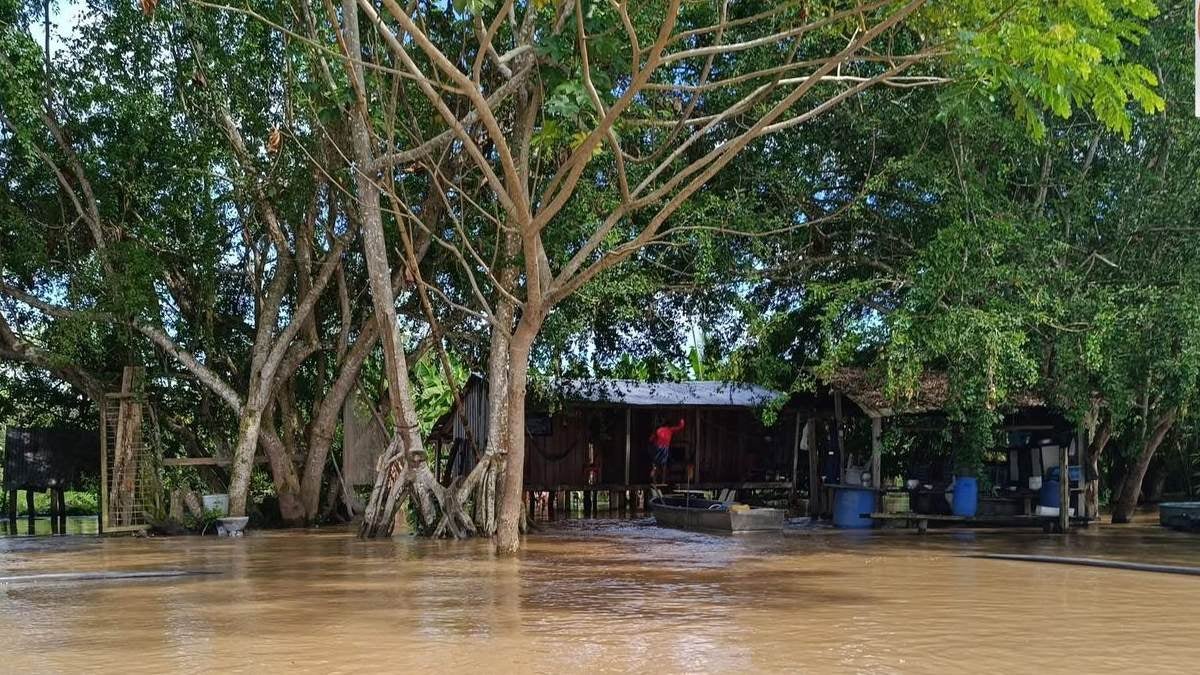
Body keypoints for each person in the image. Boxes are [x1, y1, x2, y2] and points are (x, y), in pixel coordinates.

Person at [649, 418, 685, 483]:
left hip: (657, 447)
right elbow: (680, 427)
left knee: (655, 464)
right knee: (663, 465)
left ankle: (654, 479)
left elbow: (651, 439)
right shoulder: (670, 430)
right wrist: (682, 420)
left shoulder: (658, 430)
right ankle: (663, 481)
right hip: (665, 448)